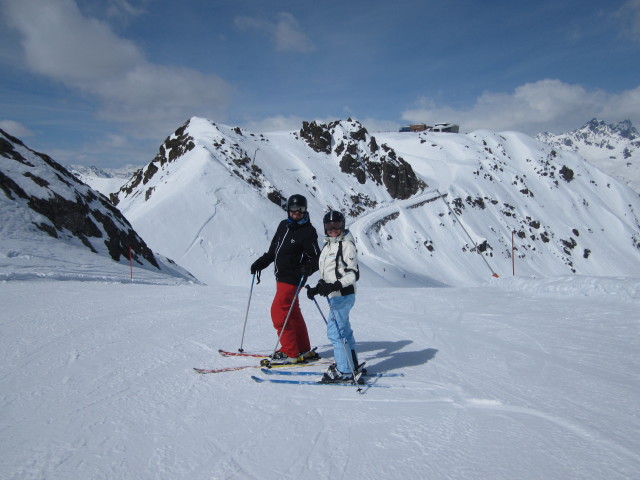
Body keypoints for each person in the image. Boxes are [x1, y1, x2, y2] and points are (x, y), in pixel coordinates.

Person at [250, 194, 321, 364]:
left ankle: (290, 352)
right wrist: (262, 262)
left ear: (305, 211)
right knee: (293, 311)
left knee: (279, 312)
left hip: (294, 278)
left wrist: (308, 268)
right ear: (288, 210)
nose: (297, 213)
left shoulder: (308, 231)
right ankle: (302, 348)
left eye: (301, 210)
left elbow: (317, 257)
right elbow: (274, 250)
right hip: (281, 276)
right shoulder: (284, 225)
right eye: (294, 209)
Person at [307, 210, 362, 383]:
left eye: (336, 226)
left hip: (343, 295)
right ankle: (351, 364)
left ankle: (345, 371)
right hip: (336, 295)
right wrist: (318, 288)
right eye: (329, 226)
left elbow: (353, 274)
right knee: (343, 330)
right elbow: (329, 273)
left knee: (335, 332)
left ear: (343, 225)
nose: (333, 229)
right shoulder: (329, 245)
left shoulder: (346, 245)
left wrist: (335, 285)